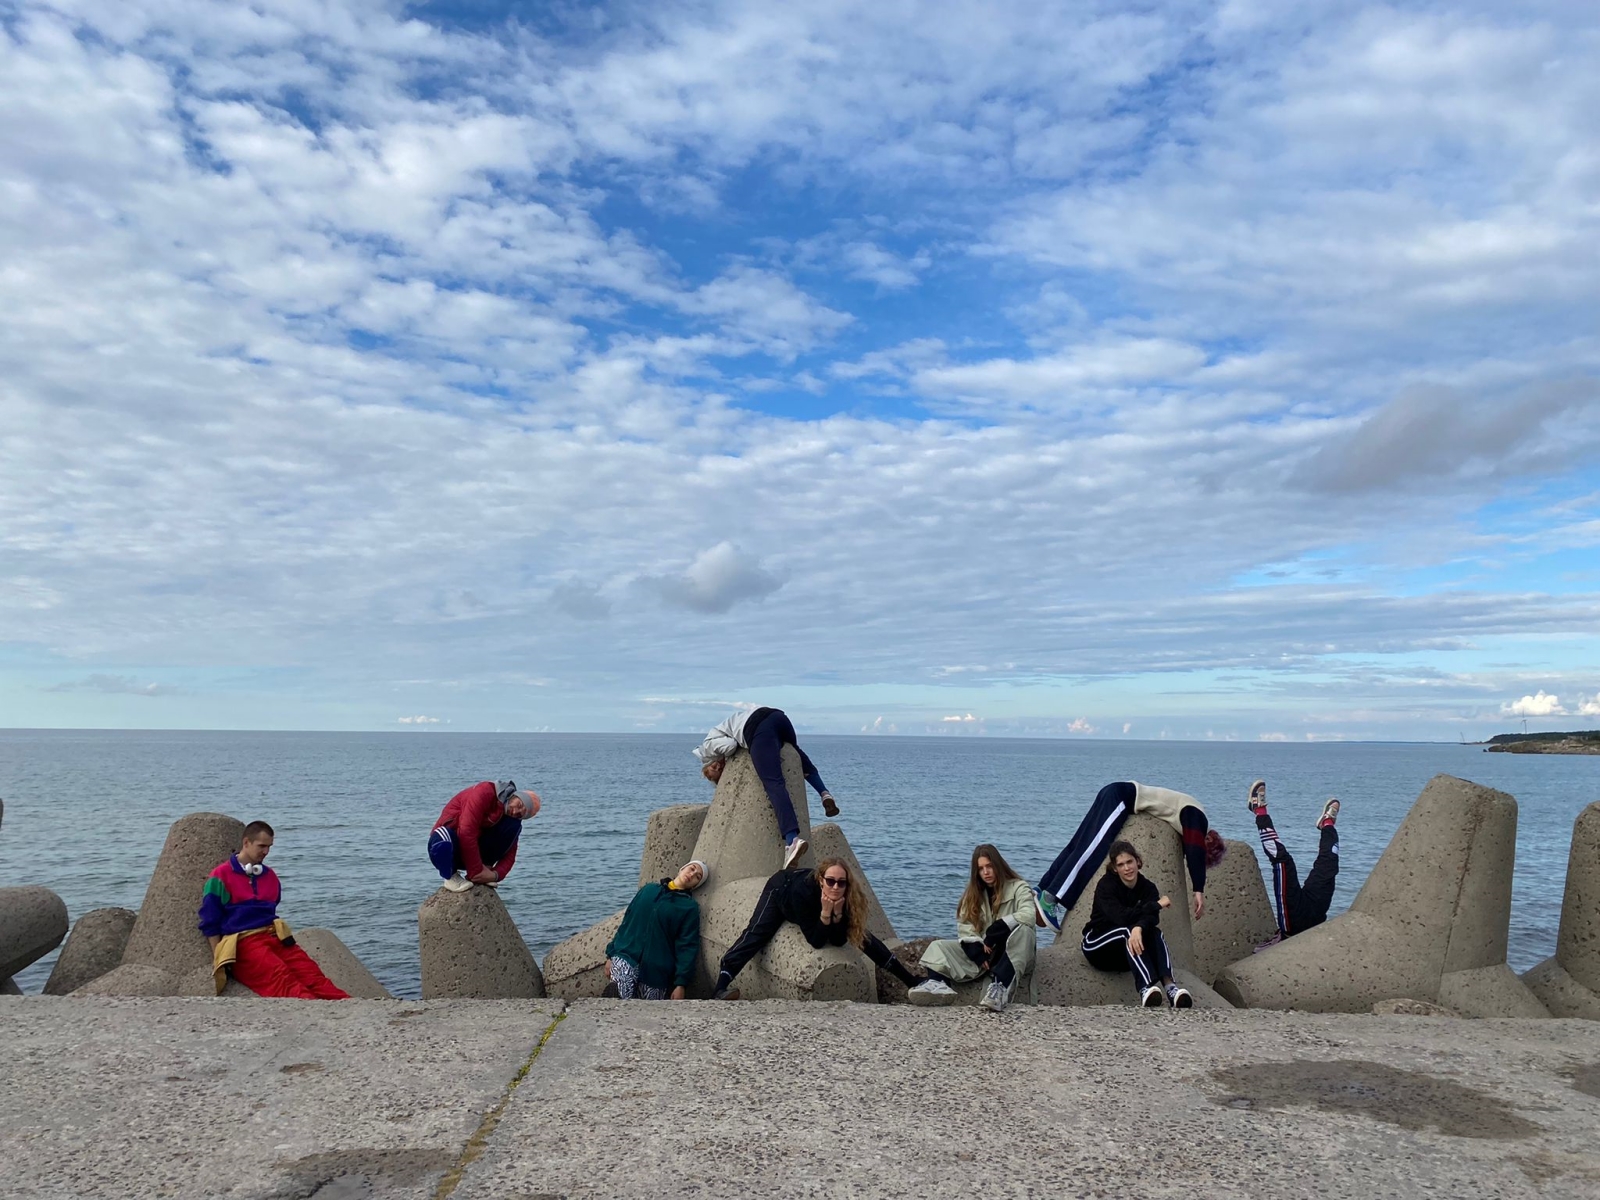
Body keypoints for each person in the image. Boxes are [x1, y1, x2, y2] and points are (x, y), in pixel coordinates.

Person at [710, 858, 920, 1000]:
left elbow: (838, 940)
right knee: (757, 933)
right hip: (782, 888)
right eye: (830, 881)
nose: (835, 887)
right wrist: (826, 913)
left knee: (863, 936)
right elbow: (816, 940)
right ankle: (721, 985)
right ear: (821, 880)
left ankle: (911, 980)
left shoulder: (847, 897)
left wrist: (837, 914)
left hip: (817, 904)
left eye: (841, 882)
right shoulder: (803, 893)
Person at [1033, 782, 1226, 931]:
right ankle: (1051, 898)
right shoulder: (1198, 816)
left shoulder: (1189, 809)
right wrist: (1198, 889)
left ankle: (1042, 888)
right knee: (1092, 850)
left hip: (1114, 792)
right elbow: (1194, 848)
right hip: (1121, 798)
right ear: (1209, 841)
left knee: (1079, 844)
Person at [198, 821, 349, 999]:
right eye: (261, 846)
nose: (266, 852)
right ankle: (321, 1018)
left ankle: (352, 1010)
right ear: (246, 843)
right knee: (284, 982)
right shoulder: (220, 876)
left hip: (275, 937)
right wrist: (221, 959)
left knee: (313, 976)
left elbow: (272, 904)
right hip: (245, 942)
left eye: (269, 847)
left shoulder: (269, 876)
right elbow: (210, 921)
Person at [694, 707, 838, 870]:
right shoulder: (721, 728)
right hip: (779, 719)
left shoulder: (707, 748)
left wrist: (725, 755)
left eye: (713, 770)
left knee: (773, 783)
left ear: (706, 765)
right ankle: (824, 793)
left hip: (757, 727)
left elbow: (730, 745)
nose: (719, 767)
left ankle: (792, 840)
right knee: (796, 756)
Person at [908, 844, 1037, 1013]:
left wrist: (999, 927)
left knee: (1025, 931)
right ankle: (938, 984)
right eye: (981, 868)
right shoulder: (973, 894)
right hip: (987, 953)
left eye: (989, 866)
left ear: (998, 865)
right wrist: (974, 947)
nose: (986, 872)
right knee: (937, 946)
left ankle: (999, 989)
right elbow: (965, 925)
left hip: (1014, 952)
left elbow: (1029, 914)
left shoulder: (1019, 887)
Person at [1081, 840, 1192, 1009]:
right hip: (1098, 945)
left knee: (1155, 932)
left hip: (1126, 953)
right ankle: (1145, 988)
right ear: (1114, 868)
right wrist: (1156, 904)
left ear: (1137, 861)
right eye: (1121, 864)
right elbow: (1121, 917)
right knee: (1127, 931)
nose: (1127, 868)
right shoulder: (1106, 886)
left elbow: (1152, 918)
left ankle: (1171, 988)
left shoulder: (1148, 888)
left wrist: (1139, 927)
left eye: (1129, 862)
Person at [1249, 780, 1341, 949]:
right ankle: (1327, 823)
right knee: (1328, 865)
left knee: (1283, 861)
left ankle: (1259, 811)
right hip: (1312, 919)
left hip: (1296, 922)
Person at [603, 860, 708, 1000]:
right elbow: (627, 921)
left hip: (657, 971)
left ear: (696, 885)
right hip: (626, 956)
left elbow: (687, 946)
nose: (692, 874)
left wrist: (680, 984)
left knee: (646, 1012)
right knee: (619, 994)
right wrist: (611, 955)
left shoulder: (689, 907)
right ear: (682, 869)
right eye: (692, 868)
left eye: (698, 876)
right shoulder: (649, 890)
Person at [428, 780, 540, 891]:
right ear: (515, 795)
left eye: (521, 814)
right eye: (519, 805)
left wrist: (495, 875)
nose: (516, 811)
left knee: (513, 826)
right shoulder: (485, 791)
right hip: (448, 844)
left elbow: (510, 855)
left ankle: (484, 869)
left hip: (472, 856)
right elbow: (466, 832)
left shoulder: (511, 819)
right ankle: (450, 875)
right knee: (443, 839)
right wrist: (476, 872)